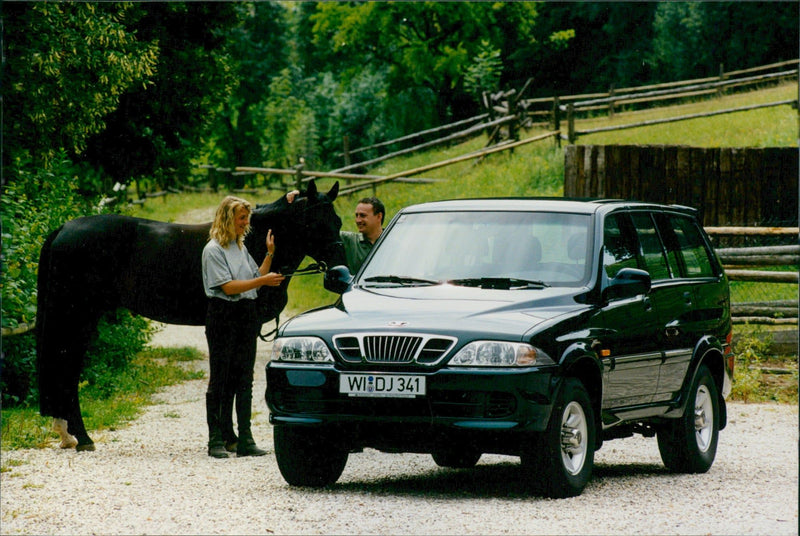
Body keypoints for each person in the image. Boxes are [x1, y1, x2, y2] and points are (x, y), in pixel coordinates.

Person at [201, 195, 287, 458]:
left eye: (246, 218)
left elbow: (255, 276)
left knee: (245, 379)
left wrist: (270, 255)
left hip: (245, 315)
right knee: (220, 378)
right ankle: (215, 439)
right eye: (241, 218)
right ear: (228, 218)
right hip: (223, 315)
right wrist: (262, 283)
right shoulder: (213, 250)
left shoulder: (240, 248)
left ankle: (245, 438)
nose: (245, 223)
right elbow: (228, 287)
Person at [339, 196, 385, 272]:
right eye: (356, 215)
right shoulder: (349, 240)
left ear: (379, 216)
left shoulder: (392, 243)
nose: (358, 220)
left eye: (363, 215)